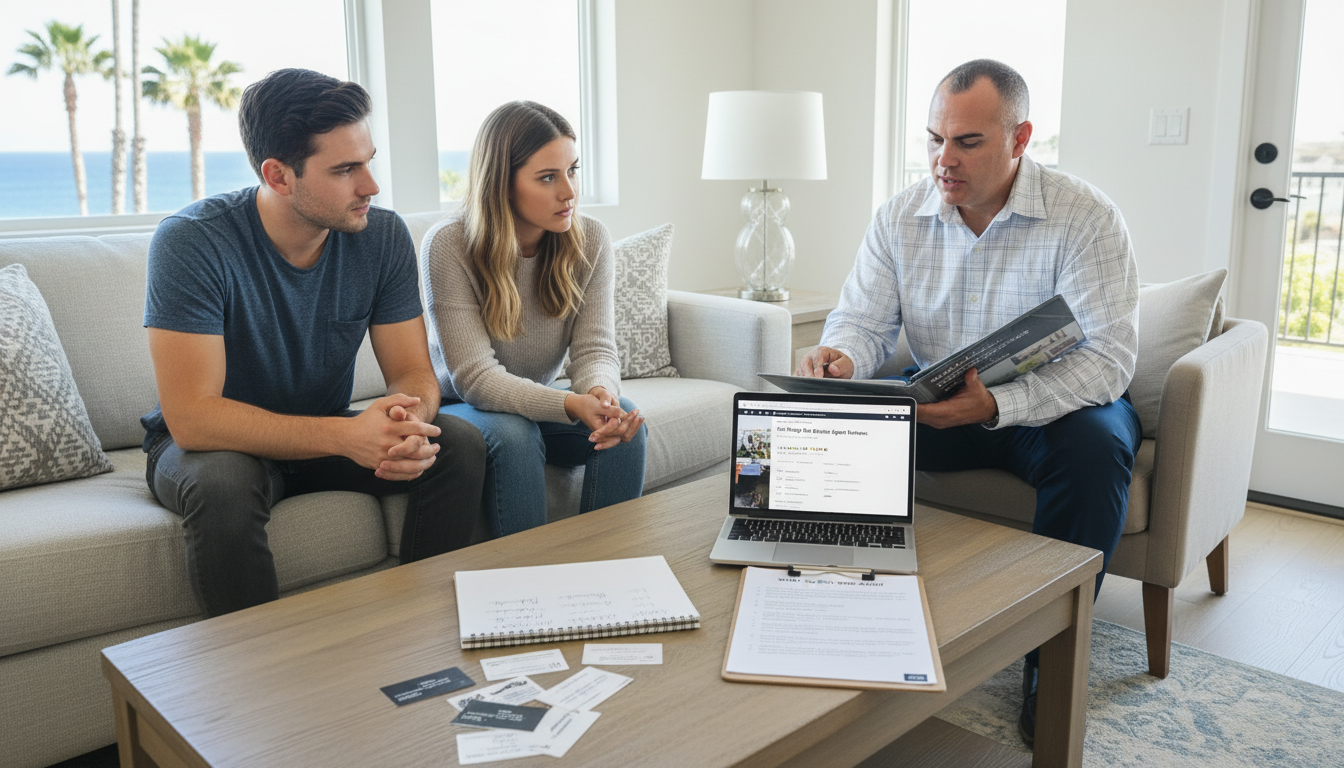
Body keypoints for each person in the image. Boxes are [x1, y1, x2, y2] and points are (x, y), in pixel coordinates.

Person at [797, 59, 1141, 747]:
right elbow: (863, 322)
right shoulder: (900, 216)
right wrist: (841, 356)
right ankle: (822, 610)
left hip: (1055, 407)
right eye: (933, 139)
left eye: (966, 142)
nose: (942, 160)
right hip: (938, 395)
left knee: (1098, 449)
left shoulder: (1085, 216)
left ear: (1021, 139)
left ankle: (1048, 663)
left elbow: (1108, 360)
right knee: (837, 424)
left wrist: (996, 408)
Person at [141, 68, 487, 618]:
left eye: (368, 161)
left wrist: (408, 423)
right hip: (217, 447)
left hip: (323, 434)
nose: (370, 185)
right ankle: (255, 677)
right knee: (224, 485)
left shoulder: (382, 235)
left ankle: (423, 628)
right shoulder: (191, 242)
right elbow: (193, 417)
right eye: (346, 169)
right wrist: (347, 437)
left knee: (457, 444)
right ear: (278, 175)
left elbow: (413, 373)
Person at [421, 101, 646, 538]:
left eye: (572, 171)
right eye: (548, 177)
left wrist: (600, 396)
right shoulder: (448, 246)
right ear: (501, 184)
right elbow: (476, 379)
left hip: (535, 396)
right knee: (515, 436)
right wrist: (568, 404)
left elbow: (595, 348)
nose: (569, 192)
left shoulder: (590, 239)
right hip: (460, 407)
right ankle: (528, 585)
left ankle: (611, 570)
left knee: (628, 421)